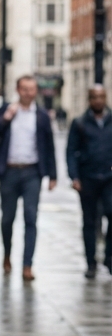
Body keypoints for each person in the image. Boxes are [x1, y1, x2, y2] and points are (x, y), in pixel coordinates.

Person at [0, 75, 57, 282]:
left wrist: (52, 175)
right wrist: (5, 118)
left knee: (31, 218)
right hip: (9, 171)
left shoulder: (42, 116)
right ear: (18, 90)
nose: (28, 93)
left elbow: (49, 145)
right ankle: (7, 254)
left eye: (32, 89)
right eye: (25, 89)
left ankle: (28, 265)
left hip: (32, 172)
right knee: (7, 219)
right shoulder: (6, 110)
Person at [66, 85, 112, 278]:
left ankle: (109, 258)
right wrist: (74, 177)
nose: (98, 101)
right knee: (90, 221)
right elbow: (71, 152)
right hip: (88, 178)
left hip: (109, 179)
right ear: (89, 100)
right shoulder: (80, 123)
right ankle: (90, 262)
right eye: (94, 97)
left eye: (101, 97)